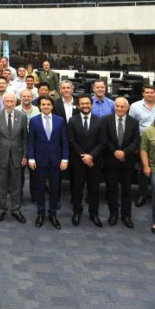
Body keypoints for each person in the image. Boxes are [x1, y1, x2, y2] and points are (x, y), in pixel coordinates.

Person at [28, 96, 69, 229]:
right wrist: (31, 158)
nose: (45, 106)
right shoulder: (34, 121)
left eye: (48, 104)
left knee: (54, 188)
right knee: (40, 188)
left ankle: (52, 214)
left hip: (56, 160)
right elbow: (31, 141)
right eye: (43, 104)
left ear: (52, 106)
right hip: (39, 160)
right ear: (39, 106)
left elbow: (64, 141)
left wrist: (65, 158)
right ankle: (40, 213)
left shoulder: (60, 121)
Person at [67, 94, 106, 227]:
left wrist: (91, 156)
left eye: (87, 103)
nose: (85, 106)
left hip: (94, 161)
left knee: (94, 189)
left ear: (92, 104)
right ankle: (77, 212)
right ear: (78, 106)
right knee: (77, 188)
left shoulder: (99, 121)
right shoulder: (72, 120)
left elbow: (102, 142)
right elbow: (71, 140)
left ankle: (93, 214)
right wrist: (84, 156)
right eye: (82, 104)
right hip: (78, 161)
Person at [129, 86, 155, 207]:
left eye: (152, 92)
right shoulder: (135, 106)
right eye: (147, 92)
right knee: (143, 168)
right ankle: (142, 194)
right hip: (142, 141)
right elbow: (131, 125)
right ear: (143, 94)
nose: (149, 94)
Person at [102, 97, 140, 228]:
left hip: (127, 161)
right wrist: (116, 152)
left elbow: (136, 141)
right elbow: (104, 139)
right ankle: (113, 214)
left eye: (122, 107)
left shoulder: (134, 122)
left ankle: (126, 215)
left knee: (127, 190)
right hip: (111, 161)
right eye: (117, 106)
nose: (119, 109)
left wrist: (124, 153)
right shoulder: (106, 120)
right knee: (111, 189)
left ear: (127, 108)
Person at [0, 92, 28, 223]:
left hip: (18, 156)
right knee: (1, 185)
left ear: (16, 102)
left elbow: (25, 139)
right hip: (1, 156)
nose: (9, 104)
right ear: (3, 102)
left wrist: (25, 155)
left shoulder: (22, 116)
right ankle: (1, 209)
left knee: (16, 185)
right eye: (7, 102)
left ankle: (16, 210)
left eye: (12, 102)